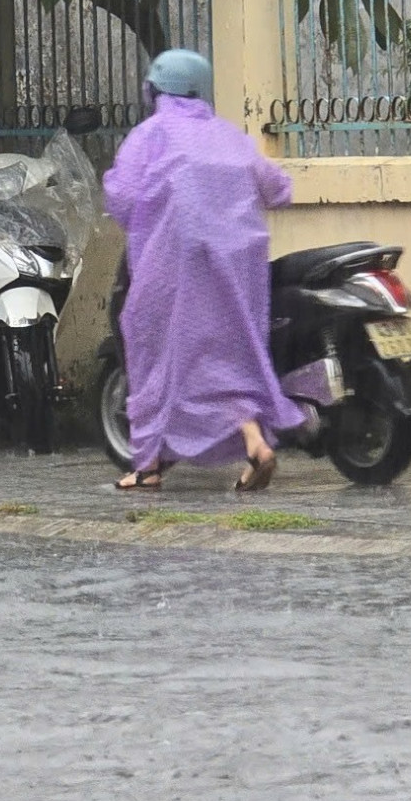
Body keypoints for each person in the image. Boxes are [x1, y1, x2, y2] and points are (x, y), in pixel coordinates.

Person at [102, 49, 307, 493]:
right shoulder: (230, 137)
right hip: (238, 268)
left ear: (155, 89)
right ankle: (254, 442)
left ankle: (149, 465)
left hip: (171, 265)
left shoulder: (150, 134)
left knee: (155, 355)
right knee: (227, 358)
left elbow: (121, 196)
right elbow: (277, 188)